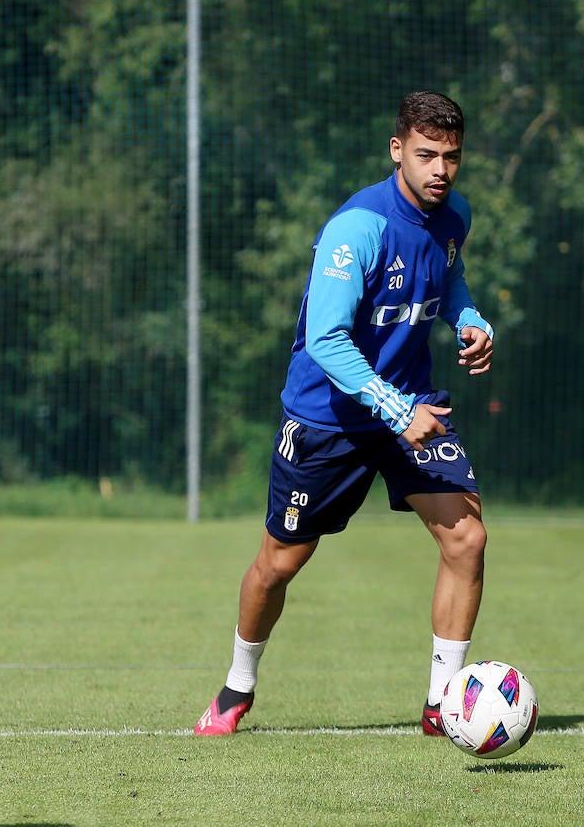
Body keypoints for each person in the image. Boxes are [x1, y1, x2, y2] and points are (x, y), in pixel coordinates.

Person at [195, 91, 494, 738]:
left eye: (452, 157)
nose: (440, 169)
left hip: (411, 403)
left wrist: (468, 317)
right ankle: (235, 686)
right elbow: (328, 340)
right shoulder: (357, 227)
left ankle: (444, 704)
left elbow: (448, 274)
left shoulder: (454, 216)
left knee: (466, 537)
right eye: (426, 155)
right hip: (330, 418)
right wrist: (392, 407)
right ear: (397, 151)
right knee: (279, 563)